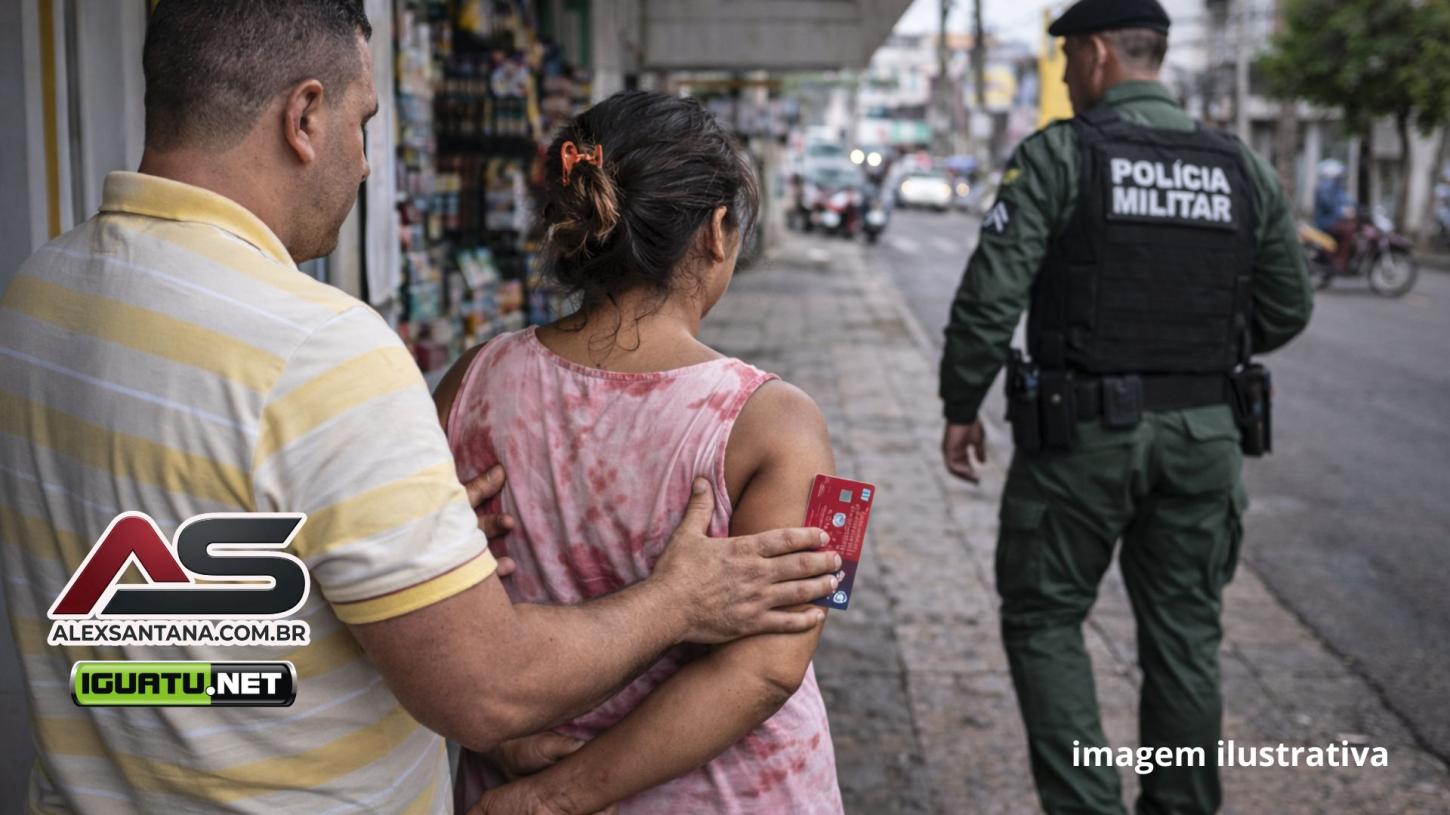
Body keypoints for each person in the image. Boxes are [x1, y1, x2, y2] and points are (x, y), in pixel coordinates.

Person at [0, 2, 842, 811]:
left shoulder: (35, 295)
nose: (368, 164)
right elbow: (757, 662)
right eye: (365, 125)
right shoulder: (323, 351)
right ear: (717, 232)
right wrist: (676, 602)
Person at [938, 1, 1313, 813]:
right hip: (1207, 435)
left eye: (1070, 58)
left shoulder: (1059, 156)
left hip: (1082, 436)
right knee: (1184, 634)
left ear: (1100, 53)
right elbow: (1288, 309)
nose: (1068, 75)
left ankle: (1086, 804)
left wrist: (962, 403)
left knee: (1044, 617)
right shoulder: (1238, 166)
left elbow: (990, 297)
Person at [437, 91, 843, 815]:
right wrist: (556, 798)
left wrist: (507, 750)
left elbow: (426, 605)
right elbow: (770, 666)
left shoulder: (473, 381)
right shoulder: (777, 423)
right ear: (716, 233)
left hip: (512, 767)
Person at [1313, 159, 1357, 272]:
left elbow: (1346, 200)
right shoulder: (1325, 187)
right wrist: (1342, 211)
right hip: (1326, 221)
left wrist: (1358, 207)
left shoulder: (1336, 186)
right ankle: (1340, 260)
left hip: (1335, 220)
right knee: (1348, 230)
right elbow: (1329, 204)